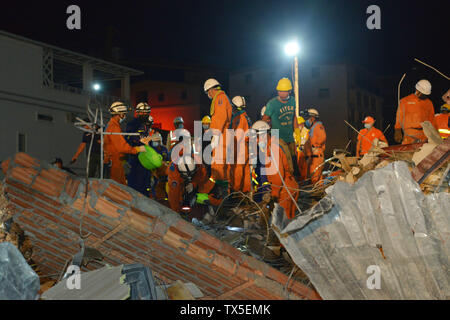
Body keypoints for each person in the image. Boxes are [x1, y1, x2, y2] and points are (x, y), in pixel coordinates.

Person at [252, 120, 299, 219]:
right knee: (285, 224)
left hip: (284, 190)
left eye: (257, 138)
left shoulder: (273, 148)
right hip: (284, 188)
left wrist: (272, 195)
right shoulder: (269, 146)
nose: (256, 141)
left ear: (264, 135)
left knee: (284, 224)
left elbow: (278, 175)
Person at [262, 78, 299, 177]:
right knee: (286, 164)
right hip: (277, 137)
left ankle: (293, 184)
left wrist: (297, 133)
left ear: (289, 91)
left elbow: (294, 117)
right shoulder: (272, 104)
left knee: (294, 161)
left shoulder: (292, 101)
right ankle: (286, 184)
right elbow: (264, 119)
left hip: (289, 137)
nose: (281, 93)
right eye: (279, 91)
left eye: (284, 91)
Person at [104, 101, 146, 185]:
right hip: (115, 162)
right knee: (117, 187)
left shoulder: (111, 124)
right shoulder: (114, 127)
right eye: (124, 114)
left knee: (118, 186)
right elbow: (121, 147)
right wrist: (136, 149)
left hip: (113, 160)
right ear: (120, 114)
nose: (124, 116)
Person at [203, 78, 233, 197]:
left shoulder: (220, 98)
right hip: (223, 134)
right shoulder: (221, 98)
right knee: (221, 165)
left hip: (222, 135)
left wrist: (216, 135)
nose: (208, 95)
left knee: (219, 166)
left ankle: (222, 195)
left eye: (208, 92)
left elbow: (221, 118)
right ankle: (223, 194)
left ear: (210, 90)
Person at [125, 103, 154, 195]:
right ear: (138, 113)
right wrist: (139, 141)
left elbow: (149, 137)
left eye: (146, 113)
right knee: (135, 181)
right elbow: (128, 138)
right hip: (135, 156)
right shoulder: (132, 124)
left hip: (146, 155)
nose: (145, 115)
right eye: (142, 112)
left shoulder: (147, 125)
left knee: (146, 181)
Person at [395, 79, 436, 144]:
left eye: (425, 94)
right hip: (410, 133)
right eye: (423, 93)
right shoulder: (405, 101)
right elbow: (399, 116)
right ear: (417, 90)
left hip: (425, 133)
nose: (424, 95)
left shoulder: (429, 103)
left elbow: (432, 119)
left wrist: (434, 134)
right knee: (409, 152)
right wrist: (397, 130)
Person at [229, 96, 252, 193]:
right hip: (245, 147)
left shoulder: (238, 118)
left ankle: (236, 192)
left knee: (237, 171)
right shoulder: (246, 117)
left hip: (239, 148)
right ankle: (246, 192)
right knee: (246, 171)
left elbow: (235, 135)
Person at [305, 109, 326, 185]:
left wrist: (315, 145)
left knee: (314, 177)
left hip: (316, 155)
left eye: (308, 118)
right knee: (317, 179)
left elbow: (322, 137)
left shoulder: (318, 126)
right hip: (314, 155)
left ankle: (316, 193)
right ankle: (318, 193)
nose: (307, 121)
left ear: (312, 118)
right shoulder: (313, 128)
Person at [293, 116, 310, 183]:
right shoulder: (295, 132)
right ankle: (299, 180)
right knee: (297, 168)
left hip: (304, 152)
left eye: (299, 124)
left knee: (304, 168)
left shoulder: (307, 132)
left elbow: (307, 142)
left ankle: (304, 180)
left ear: (302, 124)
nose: (298, 126)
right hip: (297, 152)